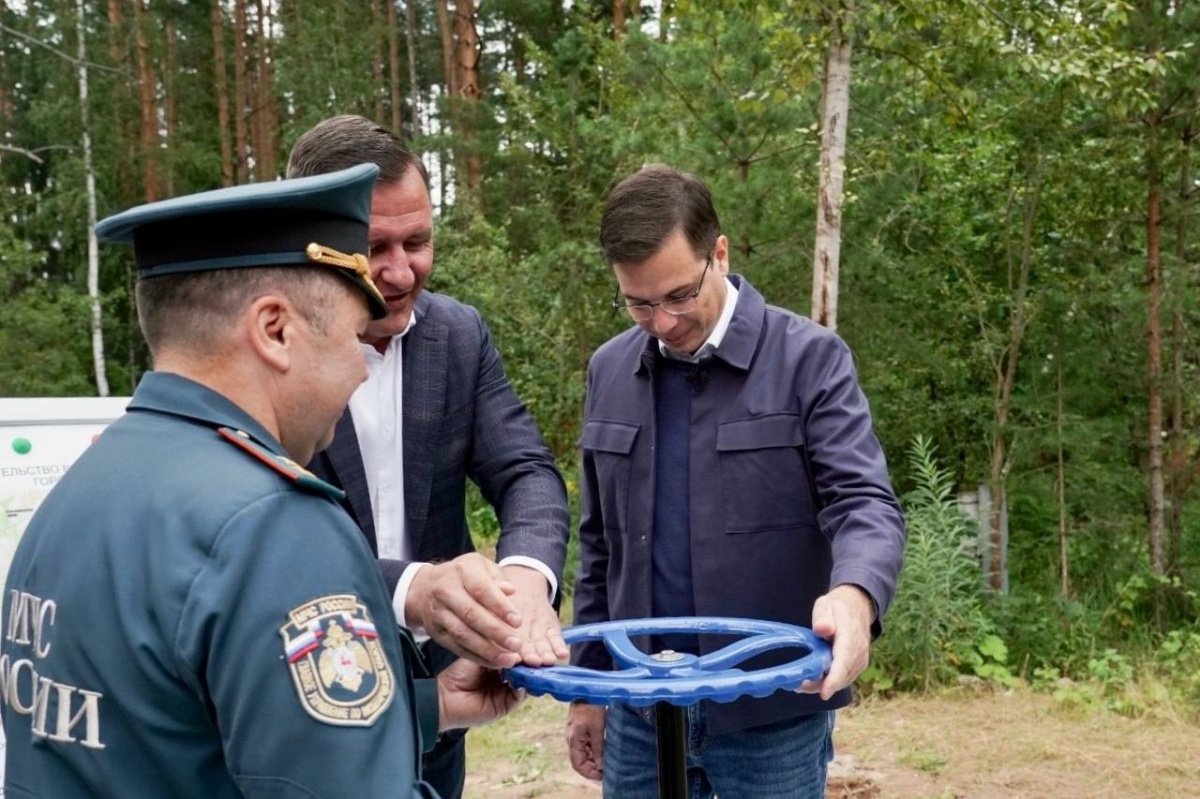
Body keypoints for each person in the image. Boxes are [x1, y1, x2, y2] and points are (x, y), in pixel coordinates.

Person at [0, 164, 522, 798]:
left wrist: (429, 704)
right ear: (275, 329)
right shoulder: (274, 528)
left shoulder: (81, 490)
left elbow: (171, 729)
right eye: (354, 338)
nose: (362, 372)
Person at [566, 164, 906, 799]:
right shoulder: (608, 371)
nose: (662, 322)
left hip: (770, 714)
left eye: (678, 296)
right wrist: (588, 691)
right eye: (638, 302)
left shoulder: (810, 360)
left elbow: (863, 502)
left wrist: (857, 595)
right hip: (640, 714)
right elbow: (599, 547)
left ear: (718, 253)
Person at [285, 115, 570, 798]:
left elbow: (525, 471)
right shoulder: (273, 350)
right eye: (374, 246)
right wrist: (416, 589)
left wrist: (528, 577)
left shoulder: (459, 335)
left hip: (443, 692)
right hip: (304, 692)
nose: (401, 268)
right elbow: (277, 535)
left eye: (418, 241)